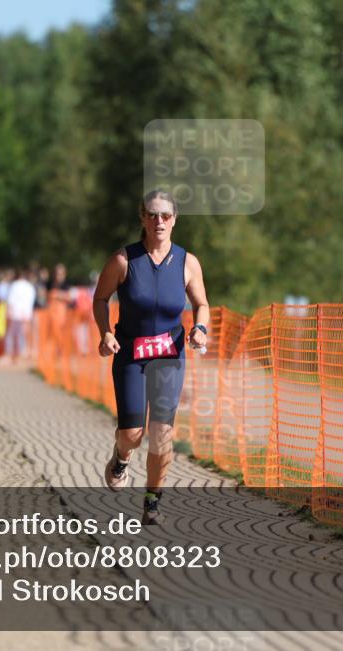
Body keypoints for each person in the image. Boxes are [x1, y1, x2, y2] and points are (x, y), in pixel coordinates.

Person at [92, 190, 209, 525]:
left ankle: (152, 500)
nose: (159, 222)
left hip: (170, 356)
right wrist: (107, 332)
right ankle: (121, 456)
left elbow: (201, 303)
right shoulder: (124, 260)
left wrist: (200, 328)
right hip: (131, 355)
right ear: (142, 218)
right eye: (153, 215)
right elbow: (100, 299)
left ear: (175, 220)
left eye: (166, 216)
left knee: (162, 433)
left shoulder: (187, 262)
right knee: (132, 433)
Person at [4, 269, 37, 365]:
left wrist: (9, 311)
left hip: (15, 314)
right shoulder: (30, 287)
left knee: (13, 335)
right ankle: (20, 355)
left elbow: (11, 300)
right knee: (23, 335)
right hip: (25, 315)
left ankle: (12, 355)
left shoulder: (14, 285)